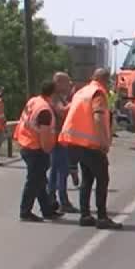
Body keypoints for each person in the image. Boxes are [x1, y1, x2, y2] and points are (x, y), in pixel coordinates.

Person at [57, 68, 122, 229]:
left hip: (76, 143)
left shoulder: (82, 92)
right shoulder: (98, 93)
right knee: (102, 179)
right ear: (106, 80)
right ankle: (102, 217)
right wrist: (104, 141)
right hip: (91, 144)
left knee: (87, 179)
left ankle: (85, 215)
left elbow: (68, 111)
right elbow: (98, 117)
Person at [15, 82, 62, 222]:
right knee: (34, 181)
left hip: (25, 143)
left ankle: (47, 210)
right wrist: (48, 149)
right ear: (53, 94)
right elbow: (45, 134)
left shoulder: (34, 101)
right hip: (35, 148)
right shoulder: (45, 110)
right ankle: (25, 211)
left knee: (40, 180)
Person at [46, 72, 75, 211]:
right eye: (66, 82)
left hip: (60, 138)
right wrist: (75, 103)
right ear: (58, 82)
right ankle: (62, 201)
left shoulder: (60, 97)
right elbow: (61, 112)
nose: (69, 84)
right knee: (61, 170)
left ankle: (52, 198)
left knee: (56, 170)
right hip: (56, 139)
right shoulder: (54, 97)